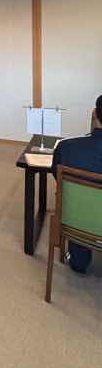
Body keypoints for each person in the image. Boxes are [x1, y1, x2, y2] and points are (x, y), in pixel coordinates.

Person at [51, 95, 102, 273]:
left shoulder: (67, 147)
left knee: (79, 204)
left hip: (77, 219)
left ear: (94, 113)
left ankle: (78, 260)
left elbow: (56, 174)